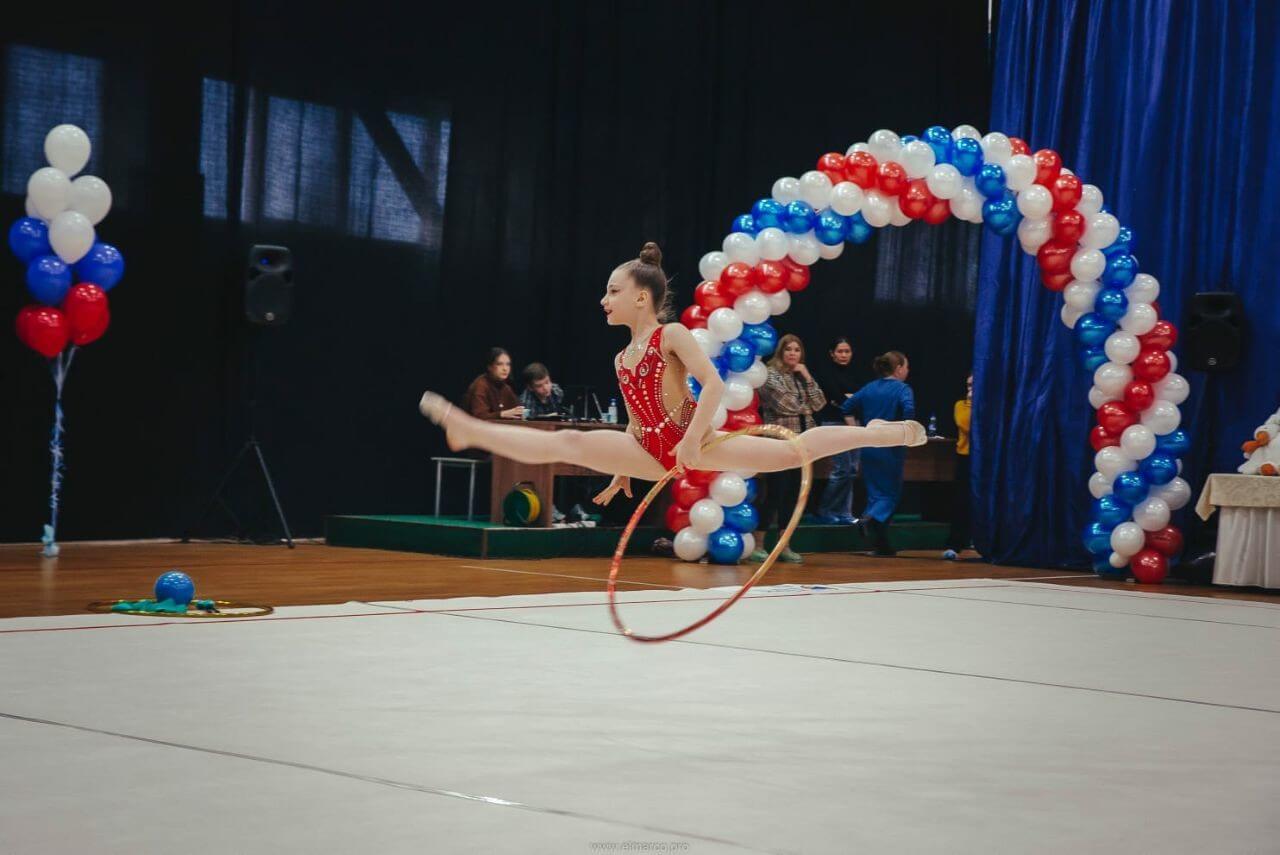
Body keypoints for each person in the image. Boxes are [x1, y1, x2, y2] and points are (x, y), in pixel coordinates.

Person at [419, 242, 926, 544]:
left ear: (641, 297)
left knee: (797, 452)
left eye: (612, 292)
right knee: (566, 442)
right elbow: (639, 421)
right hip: (651, 450)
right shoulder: (622, 358)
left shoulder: (671, 337)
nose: (603, 300)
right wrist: (623, 469)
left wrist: (691, 443)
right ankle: (471, 429)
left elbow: (712, 387)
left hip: (700, 439)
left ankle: (881, 434)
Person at [750, 334, 826, 564]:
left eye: (797, 350)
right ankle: (759, 543)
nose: (793, 354)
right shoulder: (770, 375)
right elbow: (785, 405)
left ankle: (784, 545)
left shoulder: (801, 376)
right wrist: (806, 407)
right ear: (780, 352)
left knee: (794, 497)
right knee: (775, 493)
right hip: (779, 443)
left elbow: (820, 402)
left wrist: (807, 376)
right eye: (788, 349)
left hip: (803, 444)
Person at [842, 351, 916, 556]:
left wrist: (858, 432)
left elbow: (847, 407)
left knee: (875, 493)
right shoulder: (903, 389)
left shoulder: (870, 388)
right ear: (899, 368)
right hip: (891, 447)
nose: (907, 371)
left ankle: (881, 544)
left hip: (868, 446)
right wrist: (905, 431)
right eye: (906, 367)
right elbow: (909, 411)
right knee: (890, 495)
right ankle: (868, 520)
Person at [814, 336, 861, 526]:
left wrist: (847, 400)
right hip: (833, 424)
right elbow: (835, 397)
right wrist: (847, 399)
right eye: (840, 351)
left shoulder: (856, 373)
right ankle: (825, 510)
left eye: (847, 351)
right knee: (841, 469)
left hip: (855, 425)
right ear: (832, 354)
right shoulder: (826, 373)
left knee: (852, 470)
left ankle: (844, 512)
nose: (843, 355)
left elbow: (859, 397)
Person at [944, 372, 973, 560]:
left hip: (985, 461)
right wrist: (972, 402)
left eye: (974, 386)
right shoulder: (960, 406)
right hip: (965, 456)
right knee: (961, 501)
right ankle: (955, 544)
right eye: (968, 386)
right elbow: (967, 425)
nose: (970, 390)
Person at [462, 348, 524, 420]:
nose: (505, 368)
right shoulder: (481, 385)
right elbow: (479, 417)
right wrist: (502, 414)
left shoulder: (505, 387)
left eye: (508, 364)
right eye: (499, 364)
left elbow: (517, 409)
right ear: (490, 367)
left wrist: (521, 413)